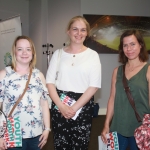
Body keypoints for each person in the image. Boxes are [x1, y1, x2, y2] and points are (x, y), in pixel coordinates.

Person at [46, 16, 101, 150]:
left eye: (83, 30)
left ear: (87, 33)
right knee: (60, 144)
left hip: (82, 105)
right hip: (59, 104)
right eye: (75, 29)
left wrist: (74, 108)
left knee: (80, 145)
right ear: (68, 31)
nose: (79, 33)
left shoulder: (93, 55)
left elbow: (94, 86)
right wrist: (61, 106)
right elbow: (49, 82)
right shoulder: (58, 54)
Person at [101, 30, 150, 150]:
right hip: (118, 127)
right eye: (125, 45)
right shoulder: (117, 71)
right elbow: (112, 98)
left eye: (133, 44)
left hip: (140, 129)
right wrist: (106, 125)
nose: (129, 48)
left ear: (140, 45)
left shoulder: (148, 70)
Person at [0, 36, 50, 150]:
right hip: (12, 132)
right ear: (14, 52)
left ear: (32, 52)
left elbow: (44, 104)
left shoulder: (39, 75)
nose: (24, 53)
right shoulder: (4, 75)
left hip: (36, 133)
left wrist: (47, 129)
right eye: (20, 49)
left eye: (28, 49)